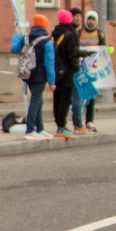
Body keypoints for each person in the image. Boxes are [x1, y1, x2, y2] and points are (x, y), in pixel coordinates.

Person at [11, 16, 52, 138]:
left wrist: (16, 34)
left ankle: (40, 128)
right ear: (45, 25)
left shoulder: (26, 37)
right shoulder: (47, 42)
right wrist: (52, 81)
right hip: (40, 76)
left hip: (27, 74)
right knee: (36, 100)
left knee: (38, 100)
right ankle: (30, 129)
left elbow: (14, 49)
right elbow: (49, 63)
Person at [49, 8, 80, 139]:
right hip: (67, 72)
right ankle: (62, 127)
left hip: (56, 71)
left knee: (57, 98)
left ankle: (59, 124)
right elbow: (71, 55)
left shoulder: (54, 34)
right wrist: (77, 68)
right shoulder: (70, 34)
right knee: (65, 99)